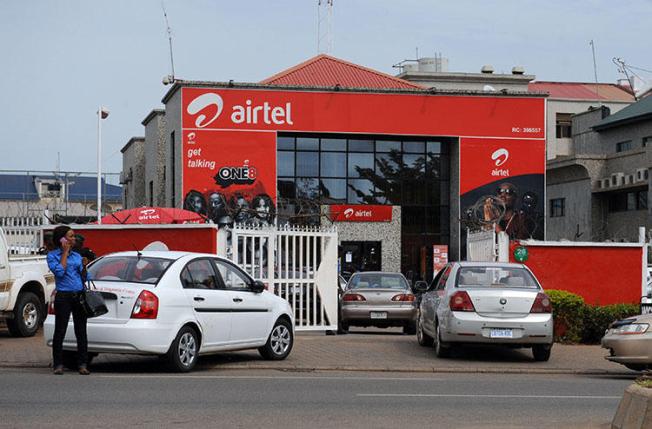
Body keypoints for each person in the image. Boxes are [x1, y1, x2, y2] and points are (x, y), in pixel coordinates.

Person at [47, 226, 90, 375]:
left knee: (81, 330)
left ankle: (82, 364)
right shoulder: (52, 256)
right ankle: (58, 364)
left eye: (73, 236)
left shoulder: (77, 256)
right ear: (62, 239)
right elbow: (59, 271)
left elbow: (85, 278)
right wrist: (64, 253)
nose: (73, 239)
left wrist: (84, 267)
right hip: (63, 296)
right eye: (70, 236)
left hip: (78, 294)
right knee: (60, 330)